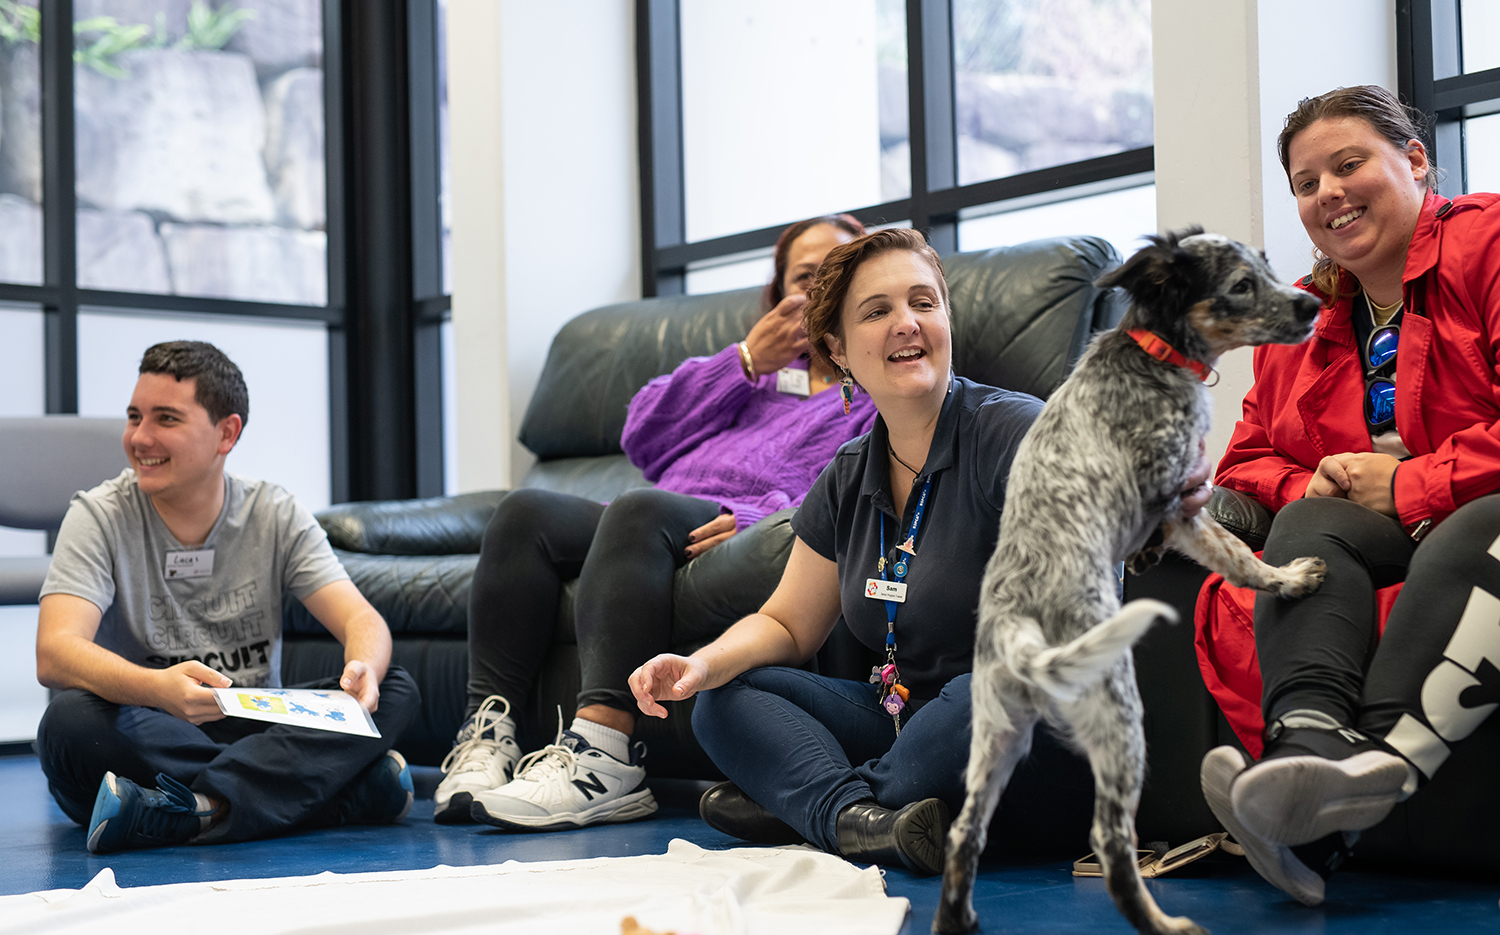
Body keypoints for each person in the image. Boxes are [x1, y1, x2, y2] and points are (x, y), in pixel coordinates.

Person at [628, 228, 1213, 874]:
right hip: (908, 720)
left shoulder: (1016, 429)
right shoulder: (847, 474)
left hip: (1038, 735)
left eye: (924, 303)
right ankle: (866, 820)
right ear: (838, 350)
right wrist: (700, 665)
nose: (907, 323)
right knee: (726, 697)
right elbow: (787, 623)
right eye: (877, 312)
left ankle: (817, 807)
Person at [438, 215, 879, 829]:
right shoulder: (744, 376)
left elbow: (853, 488)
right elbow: (641, 436)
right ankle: (488, 734)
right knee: (525, 512)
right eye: (804, 277)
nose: (818, 289)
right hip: (645, 522)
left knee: (638, 509)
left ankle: (604, 753)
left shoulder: (870, 393)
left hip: (717, 524)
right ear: (780, 294)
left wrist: (758, 518)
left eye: (837, 274)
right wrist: (745, 360)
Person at [1198, 85, 1500, 905]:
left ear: (1414, 161)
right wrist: (1320, 479)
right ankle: (1311, 745)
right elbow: (1246, 462)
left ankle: (1334, 816)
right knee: (1310, 519)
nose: (1327, 192)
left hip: (1482, 508)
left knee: (1484, 517)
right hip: (1390, 527)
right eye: (1305, 182)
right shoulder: (1305, 313)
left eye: (1348, 163)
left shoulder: (1490, 243)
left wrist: (1409, 482)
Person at [34, 341, 420, 854]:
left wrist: (364, 666)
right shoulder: (98, 515)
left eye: (165, 419)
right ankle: (335, 796)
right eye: (134, 417)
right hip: (151, 724)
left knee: (392, 684)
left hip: (251, 721)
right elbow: (55, 651)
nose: (138, 438)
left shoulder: (274, 512)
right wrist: (156, 688)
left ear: (227, 433)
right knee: (68, 723)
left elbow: (361, 619)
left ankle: (191, 811)